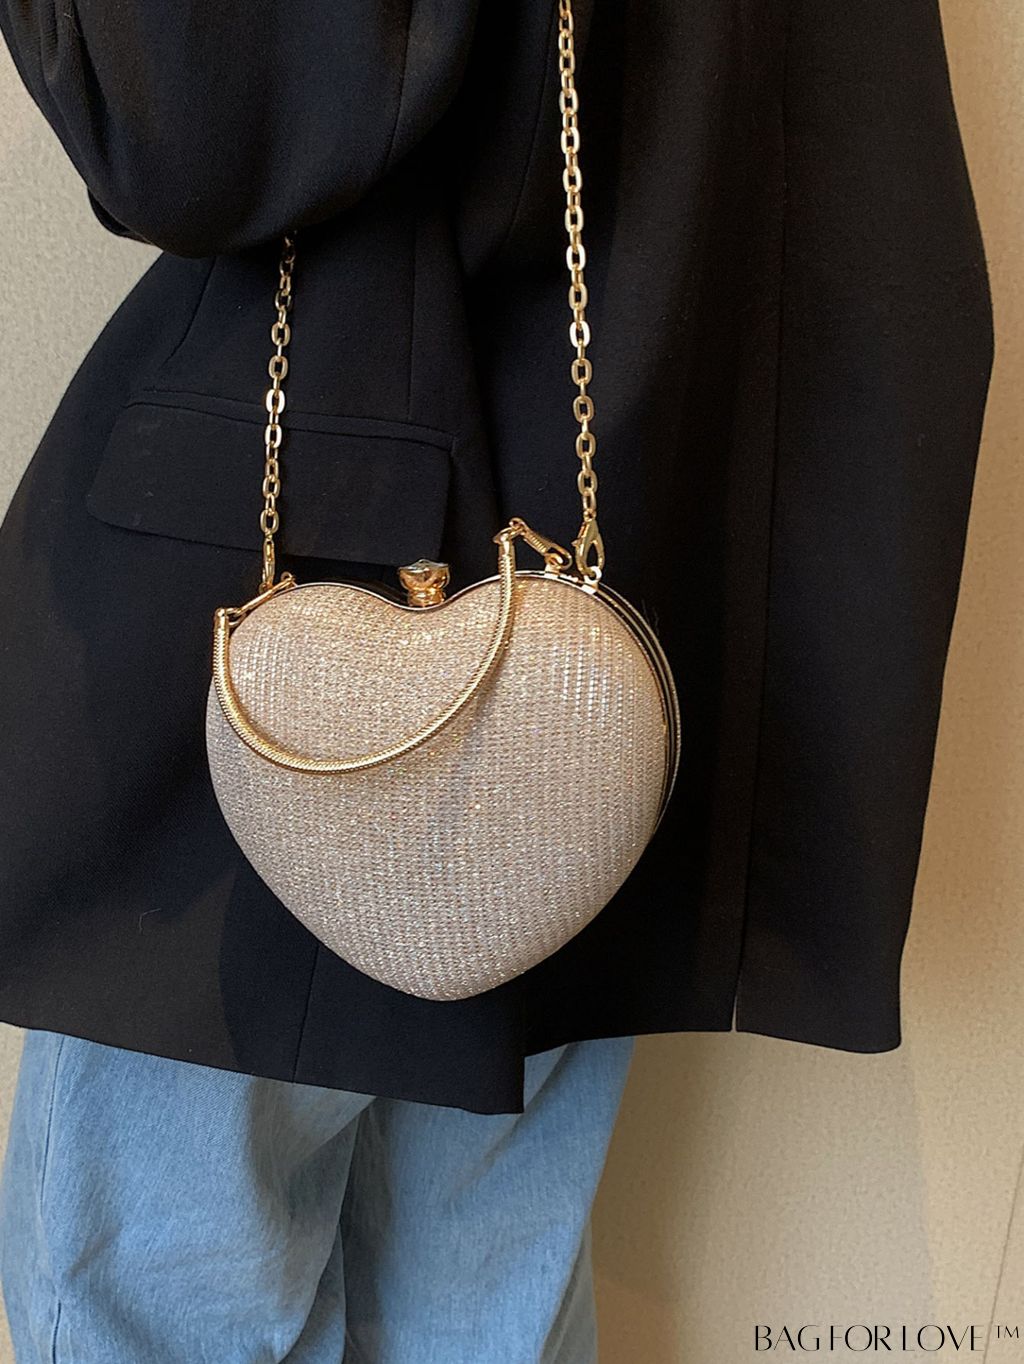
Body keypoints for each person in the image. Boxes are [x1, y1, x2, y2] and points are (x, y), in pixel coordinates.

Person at [0, 0, 994, 1358]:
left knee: (168, 1302)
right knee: (486, 1314)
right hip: (614, 638)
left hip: (329, 621)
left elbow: (182, 123)